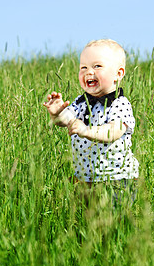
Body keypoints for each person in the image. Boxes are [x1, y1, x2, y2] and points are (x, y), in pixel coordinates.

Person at [43, 39, 139, 206]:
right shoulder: (81, 102)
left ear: (118, 74)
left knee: (111, 223)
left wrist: (86, 130)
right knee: (86, 222)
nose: (89, 72)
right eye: (83, 67)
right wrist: (57, 113)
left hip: (115, 180)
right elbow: (68, 122)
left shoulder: (119, 103)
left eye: (97, 66)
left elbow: (113, 131)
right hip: (84, 178)